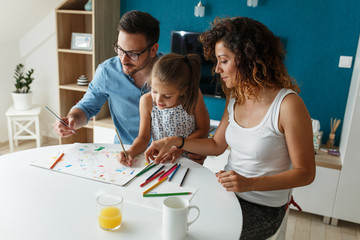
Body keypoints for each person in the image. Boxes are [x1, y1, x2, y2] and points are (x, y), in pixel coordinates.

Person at [145, 17, 315, 240]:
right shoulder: (235, 96)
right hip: (228, 194)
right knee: (171, 219)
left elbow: (306, 174)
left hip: (263, 208)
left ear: (248, 59)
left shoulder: (288, 105)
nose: (216, 69)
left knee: (198, 233)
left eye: (223, 61)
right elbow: (216, 145)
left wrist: (249, 183)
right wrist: (175, 141)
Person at [52, 11, 210, 164]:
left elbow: (200, 125)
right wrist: (72, 120)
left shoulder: (174, 72)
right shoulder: (107, 71)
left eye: (133, 54)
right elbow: (86, 107)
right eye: (120, 50)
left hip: (171, 158)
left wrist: (191, 148)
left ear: (153, 50)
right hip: (129, 153)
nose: (123, 59)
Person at [117, 53, 210, 166]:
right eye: (154, 91)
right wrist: (130, 152)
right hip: (162, 162)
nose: (158, 100)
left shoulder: (193, 96)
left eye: (167, 96)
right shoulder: (146, 101)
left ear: (183, 91)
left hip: (190, 161)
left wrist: (180, 148)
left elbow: (203, 129)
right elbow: (143, 138)